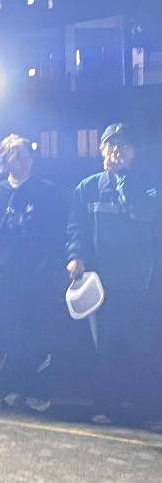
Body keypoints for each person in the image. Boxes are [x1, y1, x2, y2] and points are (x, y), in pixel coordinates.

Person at [67, 123, 160, 425]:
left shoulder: (148, 185)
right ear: (101, 149)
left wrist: (124, 182)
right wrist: (76, 257)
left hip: (141, 280)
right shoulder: (87, 188)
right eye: (112, 144)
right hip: (103, 281)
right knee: (106, 345)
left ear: (134, 153)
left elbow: (147, 213)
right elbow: (76, 228)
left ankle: (149, 409)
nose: (118, 151)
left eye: (125, 146)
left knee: (144, 344)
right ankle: (107, 406)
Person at [0, 135, 66, 414]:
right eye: (18, 157)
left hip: (39, 273)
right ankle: (13, 389)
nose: (25, 161)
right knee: (12, 332)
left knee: (38, 332)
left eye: (28, 156)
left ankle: (37, 391)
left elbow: (58, 232)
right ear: (5, 161)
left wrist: (53, 266)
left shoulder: (47, 191)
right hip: (8, 276)